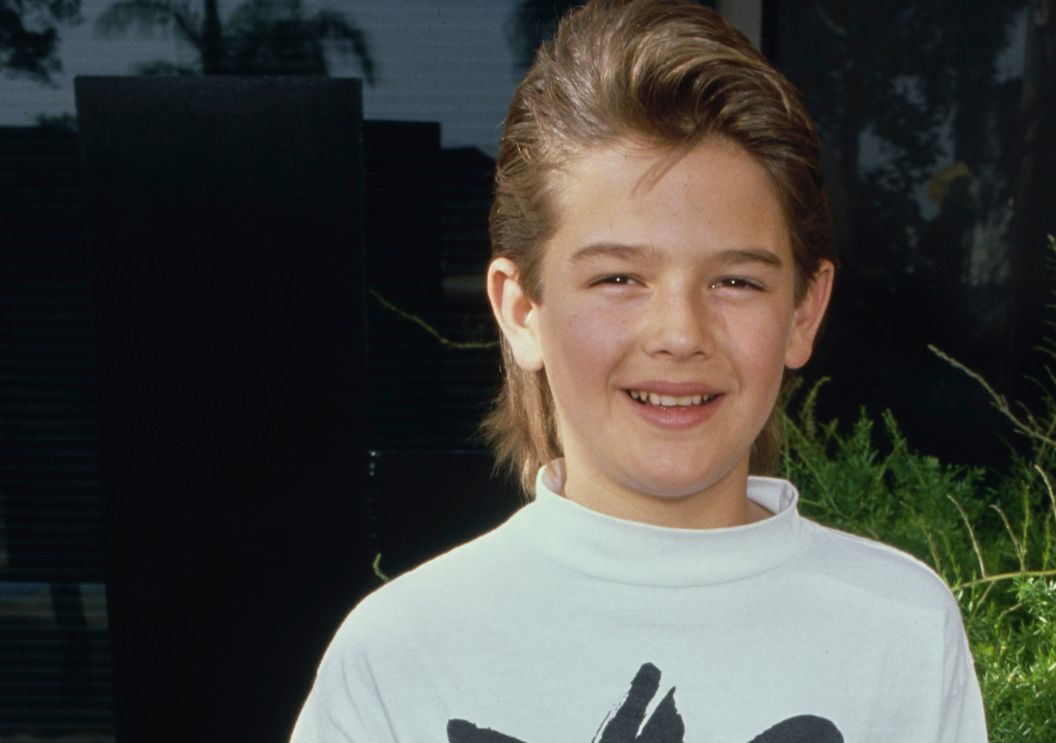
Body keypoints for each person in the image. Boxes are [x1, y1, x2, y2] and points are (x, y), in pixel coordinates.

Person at [291, 1, 986, 740]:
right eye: (618, 278)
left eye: (735, 281)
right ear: (522, 308)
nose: (679, 334)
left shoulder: (899, 623)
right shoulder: (402, 651)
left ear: (803, 312)